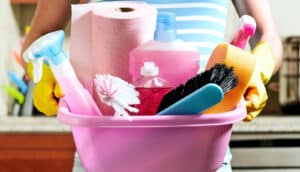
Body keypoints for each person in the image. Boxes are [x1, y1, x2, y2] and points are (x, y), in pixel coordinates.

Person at [21, 0, 283, 171]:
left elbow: (268, 35)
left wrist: (261, 68)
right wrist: (50, 73)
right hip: (106, 157)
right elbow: (37, 38)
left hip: (202, 157)